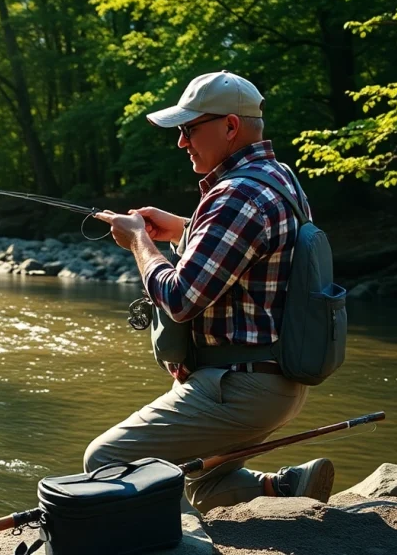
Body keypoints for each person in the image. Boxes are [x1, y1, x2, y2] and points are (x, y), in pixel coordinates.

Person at [89, 71, 334, 515]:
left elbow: (180, 299)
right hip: (279, 384)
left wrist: (139, 243)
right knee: (204, 479)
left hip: (240, 387)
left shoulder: (237, 196)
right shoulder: (277, 178)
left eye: (189, 129)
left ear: (230, 126)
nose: (182, 142)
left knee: (106, 460)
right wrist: (183, 229)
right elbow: (255, 251)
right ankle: (283, 487)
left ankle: (176, 545)